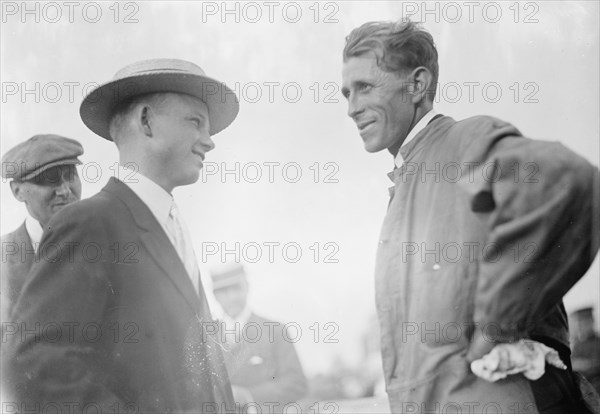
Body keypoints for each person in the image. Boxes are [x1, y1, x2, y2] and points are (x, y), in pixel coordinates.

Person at [341, 20, 599, 413]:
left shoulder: (463, 143)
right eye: (346, 93)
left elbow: (569, 183)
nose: (351, 108)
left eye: (365, 87)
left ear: (417, 84)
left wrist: (496, 326)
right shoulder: (409, 176)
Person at [3, 59, 240, 413]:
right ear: (146, 121)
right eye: (195, 121)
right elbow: (39, 366)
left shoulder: (170, 222)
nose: (209, 141)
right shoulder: (90, 222)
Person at [1, 134, 83, 321]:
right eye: (48, 180)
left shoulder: (109, 243)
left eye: (70, 176)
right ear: (17, 191)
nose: (64, 191)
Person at [211, 264, 307, 414]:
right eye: (224, 291)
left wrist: (248, 396)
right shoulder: (206, 337)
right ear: (214, 296)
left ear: (247, 287)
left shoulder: (275, 330)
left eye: (237, 288)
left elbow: (297, 383)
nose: (232, 297)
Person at [570, 307, 600, 394]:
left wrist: (584, 365)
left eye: (584, 322)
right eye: (579, 323)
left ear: (591, 321)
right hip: (583, 388)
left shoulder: (598, 342)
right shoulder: (578, 344)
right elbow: (571, 364)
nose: (580, 326)